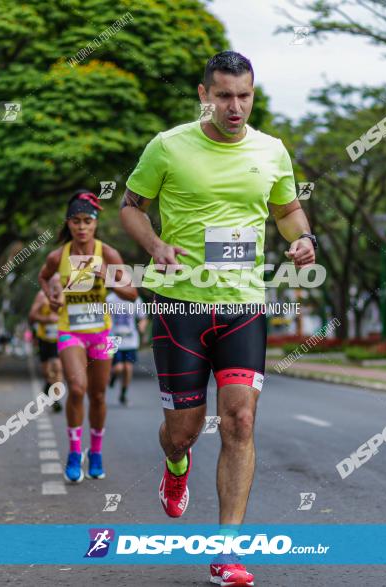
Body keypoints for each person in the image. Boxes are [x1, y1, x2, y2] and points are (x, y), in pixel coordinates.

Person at [120, 51, 317, 586]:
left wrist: (302, 238)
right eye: (224, 95)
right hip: (178, 301)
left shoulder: (272, 151)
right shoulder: (168, 146)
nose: (235, 107)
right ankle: (176, 466)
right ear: (204, 94)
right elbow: (130, 205)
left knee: (241, 421)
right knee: (182, 432)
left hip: (242, 301)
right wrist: (155, 243)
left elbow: (286, 210)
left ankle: (227, 550)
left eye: (245, 96)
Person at [39, 190, 138, 483]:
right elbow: (44, 277)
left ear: (95, 223)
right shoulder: (59, 256)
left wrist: (105, 275)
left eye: (87, 221)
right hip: (71, 330)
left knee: (97, 394)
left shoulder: (107, 254)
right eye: (75, 221)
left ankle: (95, 452)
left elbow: (132, 293)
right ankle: (73, 453)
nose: (81, 227)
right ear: (68, 224)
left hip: (101, 333)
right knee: (77, 388)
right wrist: (52, 297)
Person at [28, 275, 64, 412]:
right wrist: (46, 319)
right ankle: (48, 384)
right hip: (45, 338)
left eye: (59, 282)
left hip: (61, 339)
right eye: (54, 282)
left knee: (58, 367)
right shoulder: (42, 296)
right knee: (47, 371)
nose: (57, 285)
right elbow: (32, 316)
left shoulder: (67, 296)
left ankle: (56, 398)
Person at [106, 290, 148, 405]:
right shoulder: (110, 299)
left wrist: (142, 328)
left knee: (128, 368)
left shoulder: (135, 299)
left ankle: (123, 394)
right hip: (113, 338)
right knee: (118, 367)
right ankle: (112, 376)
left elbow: (143, 318)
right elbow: (104, 318)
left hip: (130, 338)